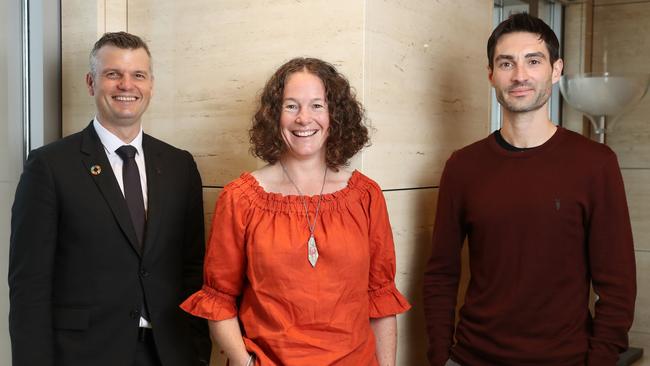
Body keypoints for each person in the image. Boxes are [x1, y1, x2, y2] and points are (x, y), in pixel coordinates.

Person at [422, 13, 636, 366]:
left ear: (555, 69)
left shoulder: (595, 164)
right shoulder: (463, 166)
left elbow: (618, 285)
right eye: (506, 63)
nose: (519, 75)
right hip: (473, 358)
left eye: (533, 61)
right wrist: (441, 357)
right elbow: (441, 275)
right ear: (491, 74)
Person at [181, 57, 411, 365]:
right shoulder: (240, 199)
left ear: (335, 115)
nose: (304, 118)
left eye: (317, 105)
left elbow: (380, 301)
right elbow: (219, 301)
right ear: (274, 115)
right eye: (291, 106)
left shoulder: (365, 196)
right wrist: (245, 363)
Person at [9, 32, 210, 366]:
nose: (126, 85)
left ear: (151, 85)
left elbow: (193, 272)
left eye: (138, 75)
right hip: (83, 355)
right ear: (91, 82)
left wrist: (198, 355)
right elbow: (29, 286)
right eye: (113, 74)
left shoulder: (179, 166)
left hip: (168, 353)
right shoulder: (49, 166)